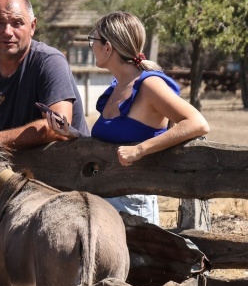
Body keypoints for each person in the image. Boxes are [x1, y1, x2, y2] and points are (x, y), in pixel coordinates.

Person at [55, 11, 209, 224]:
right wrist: (73, 133)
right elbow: (111, 142)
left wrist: (140, 150)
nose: (91, 46)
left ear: (108, 47)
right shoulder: (117, 88)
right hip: (103, 196)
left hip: (132, 204)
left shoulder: (149, 85)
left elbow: (197, 123)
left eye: (93, 40)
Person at [0, 0, 86, 150]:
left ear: (32, 26)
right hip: (0, 166)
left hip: (64, 166)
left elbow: (59, 127)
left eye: (17, 23)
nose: (7, 32)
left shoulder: (49, 61)